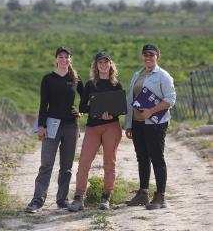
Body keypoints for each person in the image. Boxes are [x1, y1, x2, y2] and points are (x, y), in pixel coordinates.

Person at [25, 46, 83, 213]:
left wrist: (80, 111)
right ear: (56, 59)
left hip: (71, 127)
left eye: (67, 57)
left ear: (70, 59)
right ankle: (37, 200)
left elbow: (86, 98)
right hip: (51, 125)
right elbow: (44, 104)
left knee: (66, 166)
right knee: (46, 164)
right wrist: (41, 126)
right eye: (61, 57)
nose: (64, 60)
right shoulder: (48, 79)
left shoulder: (75, 78)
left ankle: (62, 200)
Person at [68, 51, 123, 212]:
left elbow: (120, 108)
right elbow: (82, 107)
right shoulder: (91, 85)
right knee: (84, 162)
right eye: (100, 63)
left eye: (106, 62)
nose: (103, 65)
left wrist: (111, 114)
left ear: (110, 65)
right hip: (93, 127)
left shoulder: (116, 85)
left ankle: (105, 197)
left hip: (111, 127)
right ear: (96, 66)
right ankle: (79, 198)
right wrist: (96, 110)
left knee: (109, 163)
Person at [124, 44, 176, 210]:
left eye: (151, 55)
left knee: (157, 158)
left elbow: (170, 99)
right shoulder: (137, 74)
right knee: (142, 158)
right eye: (145, 55)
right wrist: (129, 124)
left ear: (157, 57)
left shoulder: (163, 76)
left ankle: (160, 196)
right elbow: (130, 101)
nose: (148, 58)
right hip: (138, 124)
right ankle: (143, 193)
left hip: (155, 124)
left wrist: (151, 111)